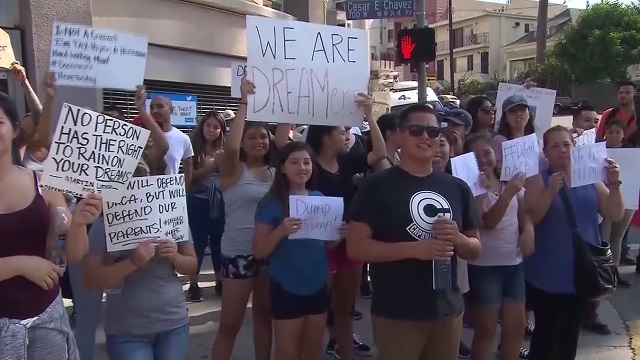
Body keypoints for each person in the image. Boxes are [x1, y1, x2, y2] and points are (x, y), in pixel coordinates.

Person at [347, 103, 482, 360]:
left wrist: (458, 238)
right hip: (397, 312)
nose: (425, 137)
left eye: (432, 132)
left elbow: (475, 248)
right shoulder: (376, 186)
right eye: (416, 130)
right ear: (398, 135)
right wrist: (414, 249)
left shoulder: (457, 187)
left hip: (447, 310)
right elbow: (356, 247)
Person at [273, 95, 385, 360]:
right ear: (326, 137)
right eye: (341, 131)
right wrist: (290, 107)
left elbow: (379, 153)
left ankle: (344, 352)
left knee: (345, 311)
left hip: (349, 243)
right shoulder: (307, 163)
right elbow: (280, 142)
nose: (347, 135)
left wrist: (369, 115)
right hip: (317, 246)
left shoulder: (348, 161)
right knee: (316, 310)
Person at [0, 92, 103, 359]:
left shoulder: (43, 184)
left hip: (47, 322)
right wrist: (21, 264)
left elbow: (71, 255)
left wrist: (79, 222)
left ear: (14, 129)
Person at [524, 125, 624, 360]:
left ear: (574, 147)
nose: (562, 150)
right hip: (547, 275)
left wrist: (614, 185)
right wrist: (549, 192)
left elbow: (614, 213)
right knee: (546, 339)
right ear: (545, 153)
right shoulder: (539, 178)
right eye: (554, 146)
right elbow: (531, 218)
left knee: (570, 338)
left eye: (567, 144)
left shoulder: (588, 177)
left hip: (581, 273)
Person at [210, 78, 274, 360]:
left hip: (270, 253)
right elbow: (232, 147)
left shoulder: (277, 173)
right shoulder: (232, 171)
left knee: (264, 317)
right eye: (252, 137)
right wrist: (244, 101)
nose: (259, 141)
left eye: (263, 136)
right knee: (230, 325)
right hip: (238, 253)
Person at [253, 141, 330, 360]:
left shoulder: (320, 199)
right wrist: (281, 230)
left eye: (307, 162)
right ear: (283, 168)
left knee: (313, 353)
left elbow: (329, 244)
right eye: (294, 162)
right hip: (286, 286)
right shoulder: (271, 203)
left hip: (317, 284)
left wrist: (338, 233)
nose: (302, 167)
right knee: (287, 354)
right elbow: (259, 251)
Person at [464, 133, 534, 360]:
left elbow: (525, 214)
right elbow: (487, 222)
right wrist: (508, 193)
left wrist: (528, 230)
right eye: (475, 155)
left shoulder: (508, 181)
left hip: (513, 265)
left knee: (516, 327)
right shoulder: (470, 187)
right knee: (486, 328)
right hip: (484, 267)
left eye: (487, 153)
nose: (483, 159)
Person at [187, 110, 227, 300]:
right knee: (198, 243)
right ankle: (193, 284)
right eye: (208, 125)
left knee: (219, 242)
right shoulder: (193, 147)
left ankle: (220, 281)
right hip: (198, 201)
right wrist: (212, 166)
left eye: (216, 127)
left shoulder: (226, 149)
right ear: (202, 126)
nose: (211, 130)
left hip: (220, 201)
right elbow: (190, 178)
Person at [148, 95, 194, 182]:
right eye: (152, 107)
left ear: (171, 110)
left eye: (160, 107)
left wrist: (186, 192)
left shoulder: (183, 138)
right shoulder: (143, 135)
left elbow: (188, 166)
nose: (154, 111)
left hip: (171, 192)